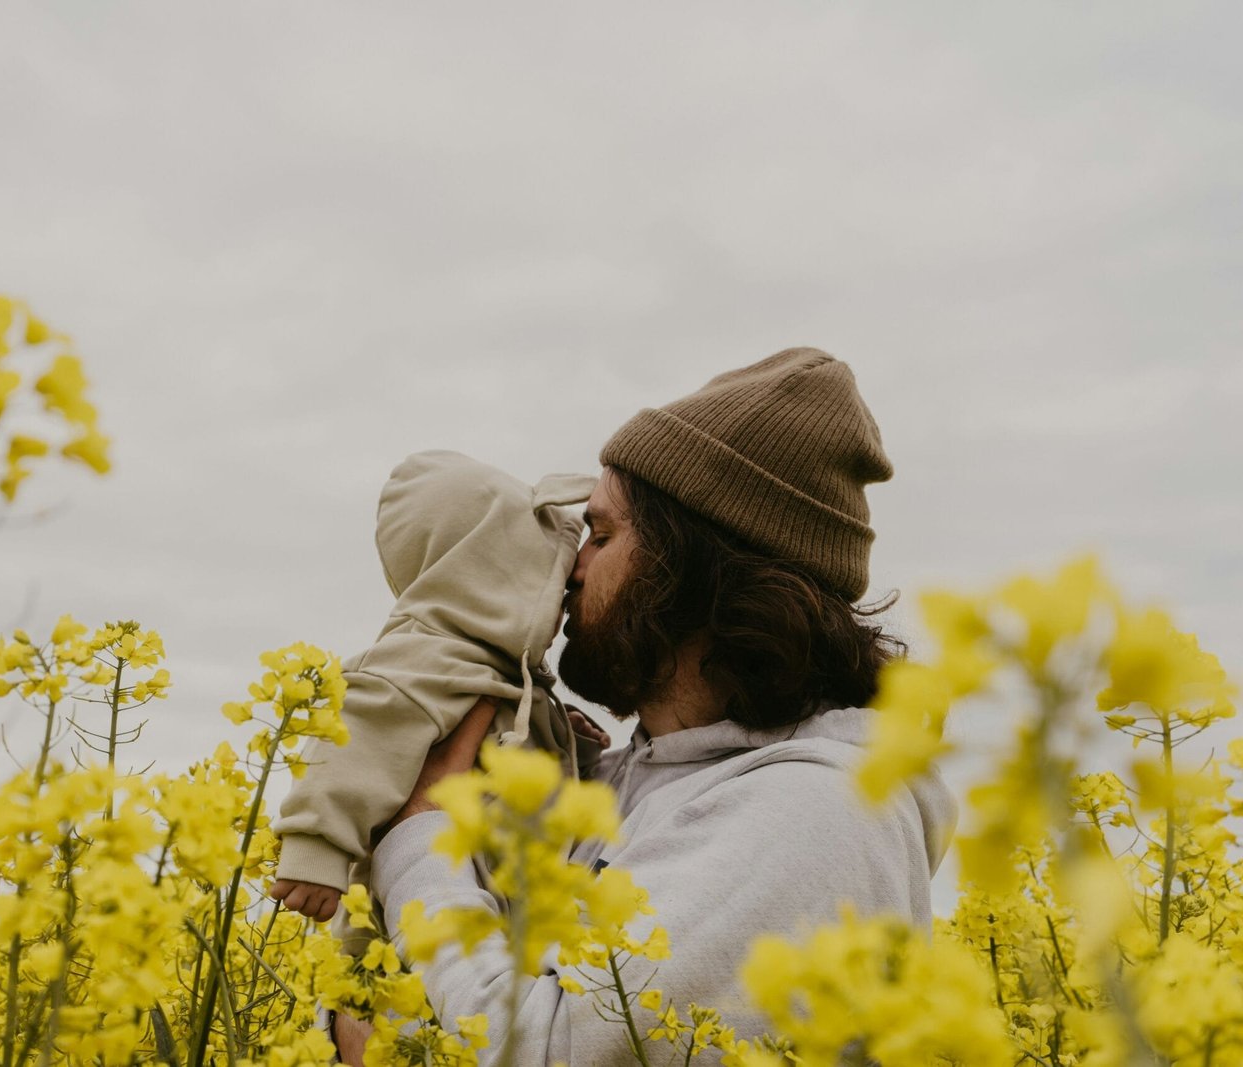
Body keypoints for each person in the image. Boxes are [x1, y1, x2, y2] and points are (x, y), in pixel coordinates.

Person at [338, 347, 958, 1065]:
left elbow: (553, 1052)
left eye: (601, 536)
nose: (570, 567)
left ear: (691, 569)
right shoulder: (630, 778)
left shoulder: (817, 811)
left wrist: (421, 836)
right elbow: (477, 1013)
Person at [270, 450, 609, 922]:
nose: (570, 587)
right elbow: (356, 738)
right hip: (412, 930)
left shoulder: (511, 678)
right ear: (492, 577)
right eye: (548, 579)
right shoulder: (423, 658)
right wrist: (315, 849)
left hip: (498, 928)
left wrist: (571, 745)